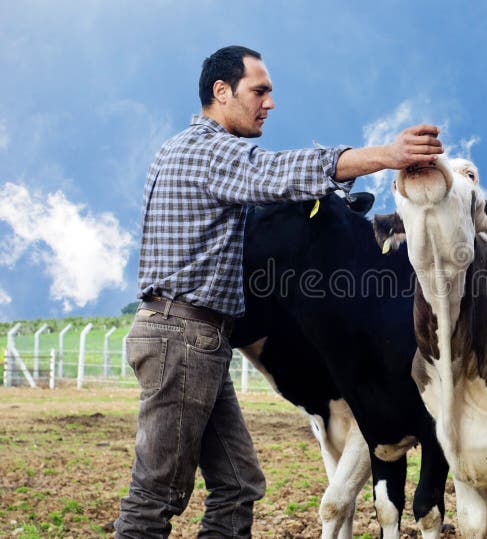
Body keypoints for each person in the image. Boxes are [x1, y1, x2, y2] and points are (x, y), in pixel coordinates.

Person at [115, 45, 443, 538]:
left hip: (193, 338)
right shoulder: (209, 151)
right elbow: (279, 172)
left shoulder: (173, 148)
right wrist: (387, 156)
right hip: (183, 338)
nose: (269, 103)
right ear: (221, 92)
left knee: (239, 483)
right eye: (260, 91)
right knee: (156, 492)